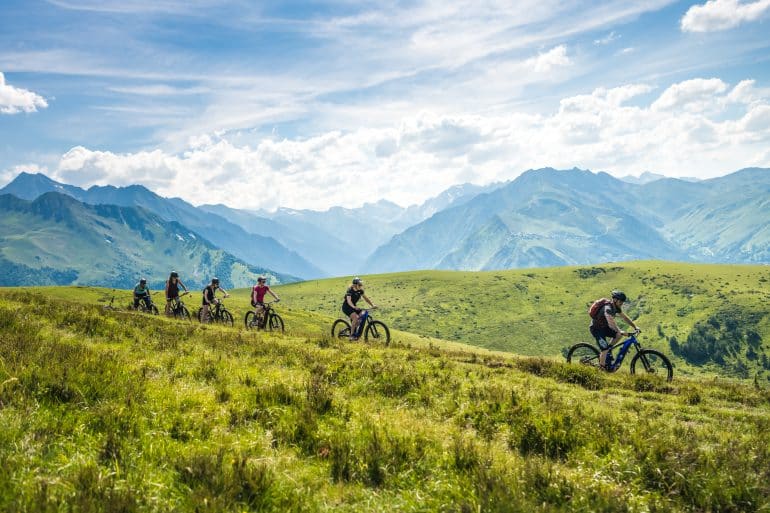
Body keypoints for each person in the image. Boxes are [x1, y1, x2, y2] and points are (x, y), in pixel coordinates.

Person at [590, 290, 640, 368]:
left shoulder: (616, 307)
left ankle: (608, 350)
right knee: (605, 349)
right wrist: (620, 331)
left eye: (622, 302)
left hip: (605, 328)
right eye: (620, 302)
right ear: (615, 300)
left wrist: (635, 326)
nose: (622, 304)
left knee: (618, 335)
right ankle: (602, 368)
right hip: (597, 329)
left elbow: (625, 318)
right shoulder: (607, 308)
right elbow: (611, 323)